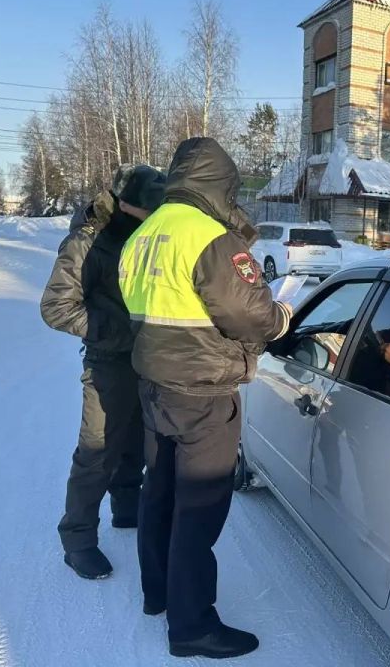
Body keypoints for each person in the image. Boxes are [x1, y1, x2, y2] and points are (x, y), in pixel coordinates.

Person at [119, 137, 292, 660]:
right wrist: (282, 318)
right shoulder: (208, 236)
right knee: (199, 509)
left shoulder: (144, 232)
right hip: (203, 393)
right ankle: (192, 624)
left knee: (161, 493)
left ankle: (158, 595)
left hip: (155, 388)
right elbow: (251, 315)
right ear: (220, 184)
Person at [40, 165, 167, 580]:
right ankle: (77, 540)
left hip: (150, 359)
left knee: (138, 439)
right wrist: (116, 331)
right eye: (149, 208)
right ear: (128, 203)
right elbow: (56, 307)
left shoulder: (153, 234)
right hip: (109, 361)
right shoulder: (88, 240)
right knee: (97, 450)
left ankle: (127, 508)